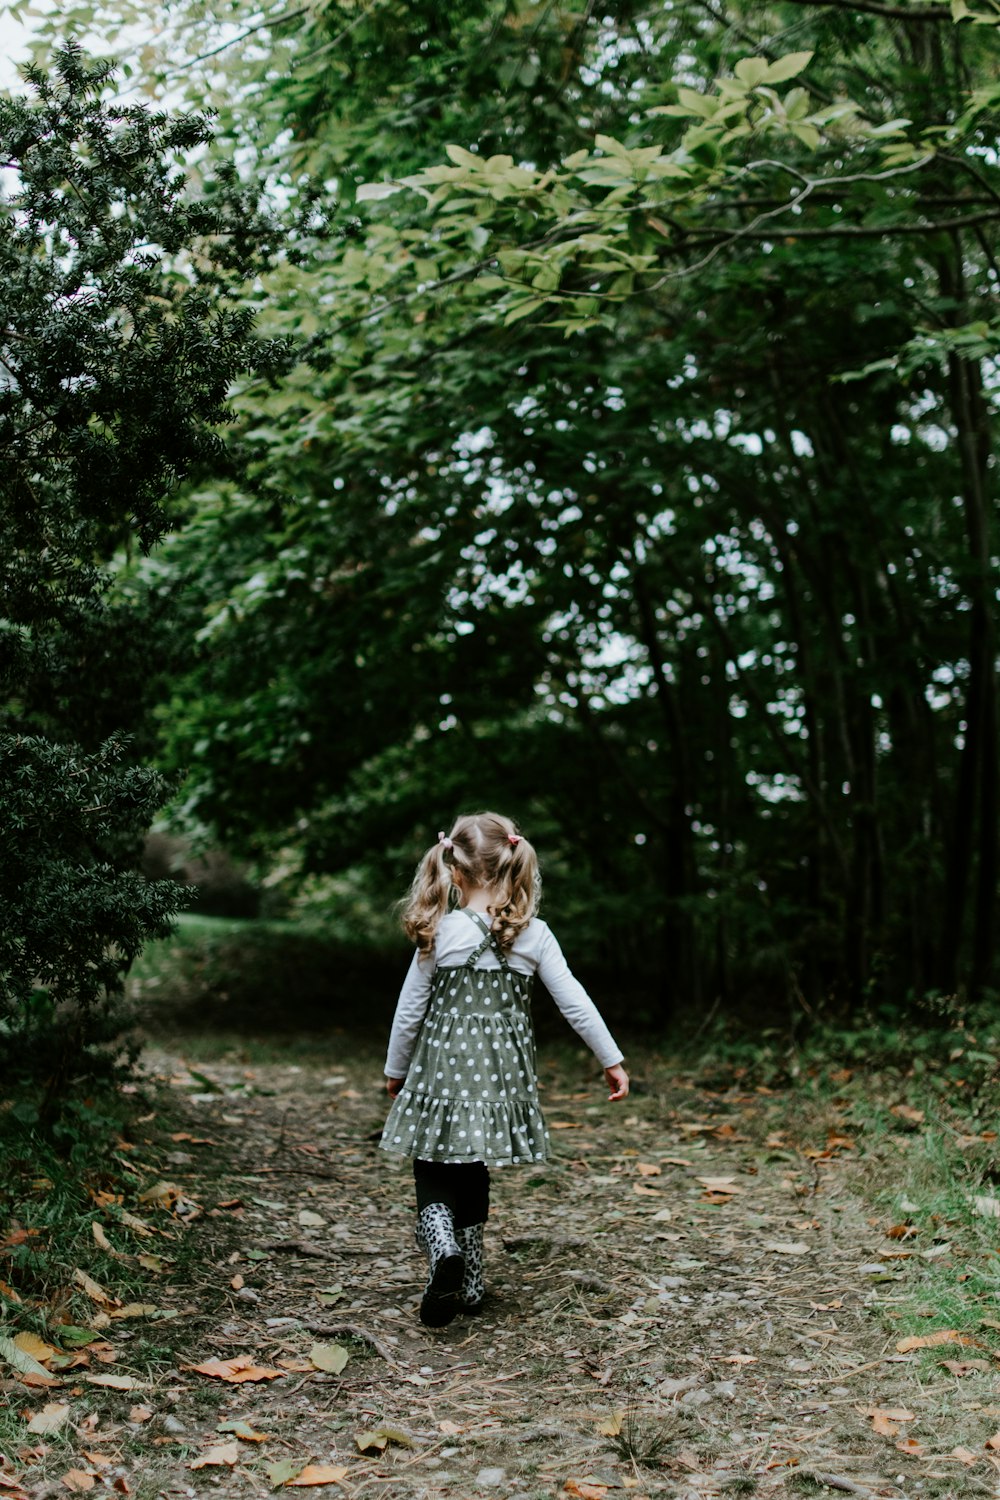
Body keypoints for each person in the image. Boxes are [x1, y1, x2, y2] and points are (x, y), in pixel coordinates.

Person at [381, 811, 629, 1328]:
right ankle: (469, 1281)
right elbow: (575, 1003)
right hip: (499, 1076)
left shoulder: (439, 930)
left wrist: (395, 1069)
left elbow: (410, 1009)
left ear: (455, 871)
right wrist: (611, 1059)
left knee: (432, 1163)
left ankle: (441, 1242)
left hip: (441, 1069)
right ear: (512, 866)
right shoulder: (533, 934)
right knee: (475, 1166)